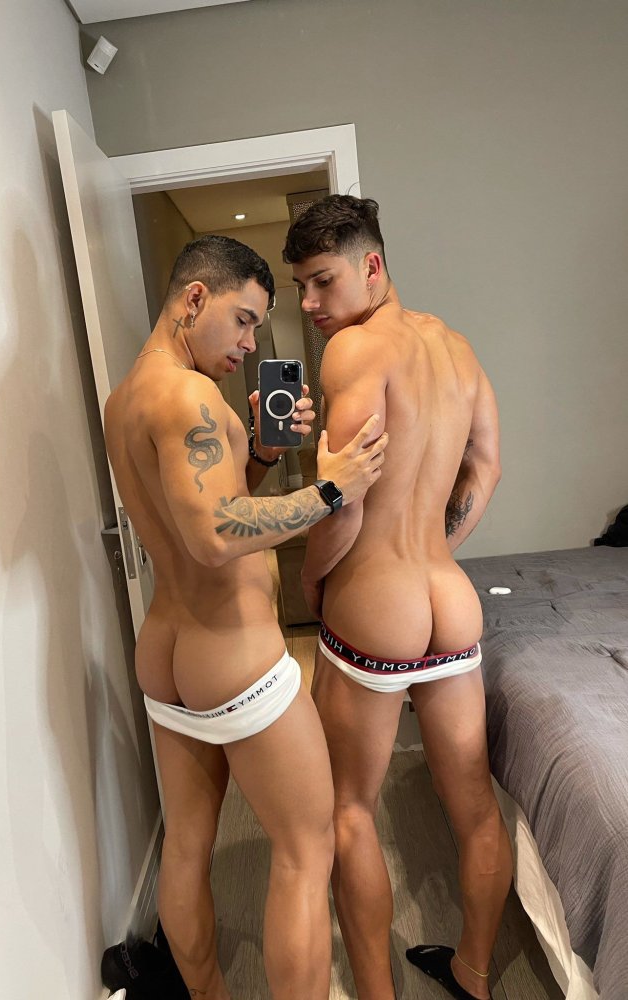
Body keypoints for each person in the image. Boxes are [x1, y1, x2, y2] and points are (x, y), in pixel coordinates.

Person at [104, 234, 388, 1000]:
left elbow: (199, 508)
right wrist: (332, 489)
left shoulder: (126, 398)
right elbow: (215, 535)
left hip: (167, 656)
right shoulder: (190, 396)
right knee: (305, 849)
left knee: (186, 848)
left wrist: (258, 452)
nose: (250, 342)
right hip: (232, 655)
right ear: (195, 298)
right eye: (244, 319)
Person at [283, 196, 512, 1000]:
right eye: (300, 288)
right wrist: (434, 548)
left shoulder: (353, 351)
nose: (309, 304)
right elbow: (486, 465)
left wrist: (313, 582)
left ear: (371, 265)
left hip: (375, 607)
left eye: (322, 281)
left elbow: (342, 504)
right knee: (474, 806)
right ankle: (474, 976)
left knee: (350, 809)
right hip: (450, 600)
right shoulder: (456, 346)